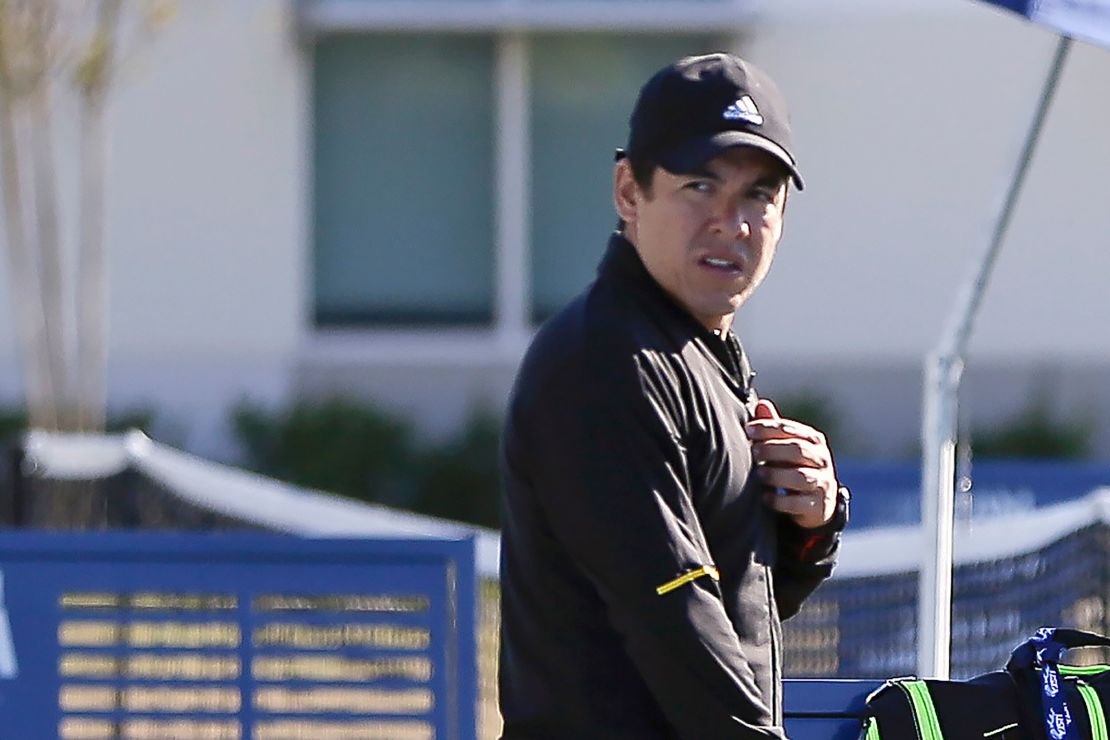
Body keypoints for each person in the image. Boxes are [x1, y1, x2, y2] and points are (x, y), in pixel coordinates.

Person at [497, 52, 850, 739]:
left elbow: (734, 609)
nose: (732, 222)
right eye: (699, 185)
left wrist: (809, 529)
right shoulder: (605, 362)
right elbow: (672, 618)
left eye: (759, 194)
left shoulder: (696, 354)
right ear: (630, 192)